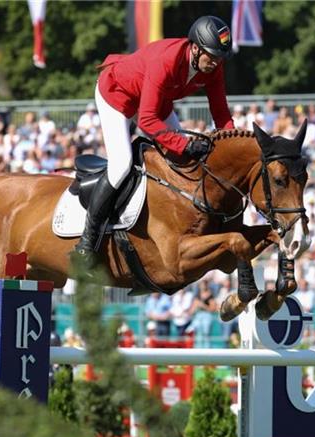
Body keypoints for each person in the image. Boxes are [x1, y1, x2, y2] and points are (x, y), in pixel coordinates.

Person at [73, 15, 236, 264]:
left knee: (184, 160)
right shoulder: (167, 60)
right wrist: (185, 144)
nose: (214, 63)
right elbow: (147, 120)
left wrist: (232, 142)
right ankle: (87, 241)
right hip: (117, 94)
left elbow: (221, 113)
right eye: (211, 56)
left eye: (219, 58)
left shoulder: (213, 66)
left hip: (152, 100)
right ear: (195, 47)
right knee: (121, 165)